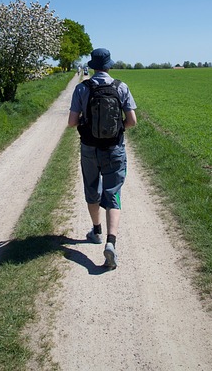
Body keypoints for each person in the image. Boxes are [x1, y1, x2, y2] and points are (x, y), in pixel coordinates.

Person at [68, 48, 137, 269]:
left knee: (92, 189)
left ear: (92, 66)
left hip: (89, 148)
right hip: (114, 148)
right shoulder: (121, 87)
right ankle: (111, 243)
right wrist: (117, 130)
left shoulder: (82, 88)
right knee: (113, 192)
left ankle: (96, 231)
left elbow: (71, 122)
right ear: (108, 65)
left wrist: (84, 125)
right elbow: (132, 121)